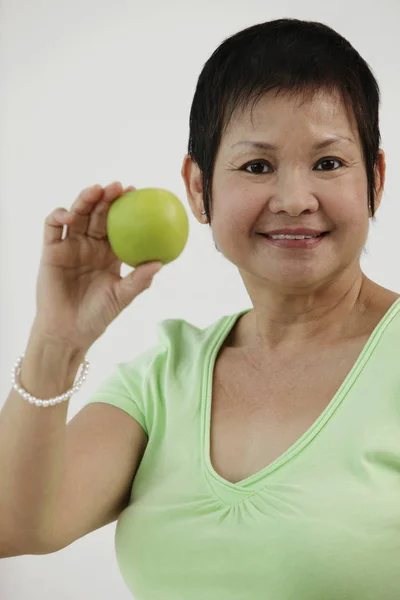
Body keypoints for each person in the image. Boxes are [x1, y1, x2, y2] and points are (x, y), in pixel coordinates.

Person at [1, 16, 399, 600]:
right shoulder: (164, 377)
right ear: (198, 188)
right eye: (257, 166)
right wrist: (57, 342)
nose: (294, 199)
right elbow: (15, 525)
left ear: (375, 179)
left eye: (328, 163)